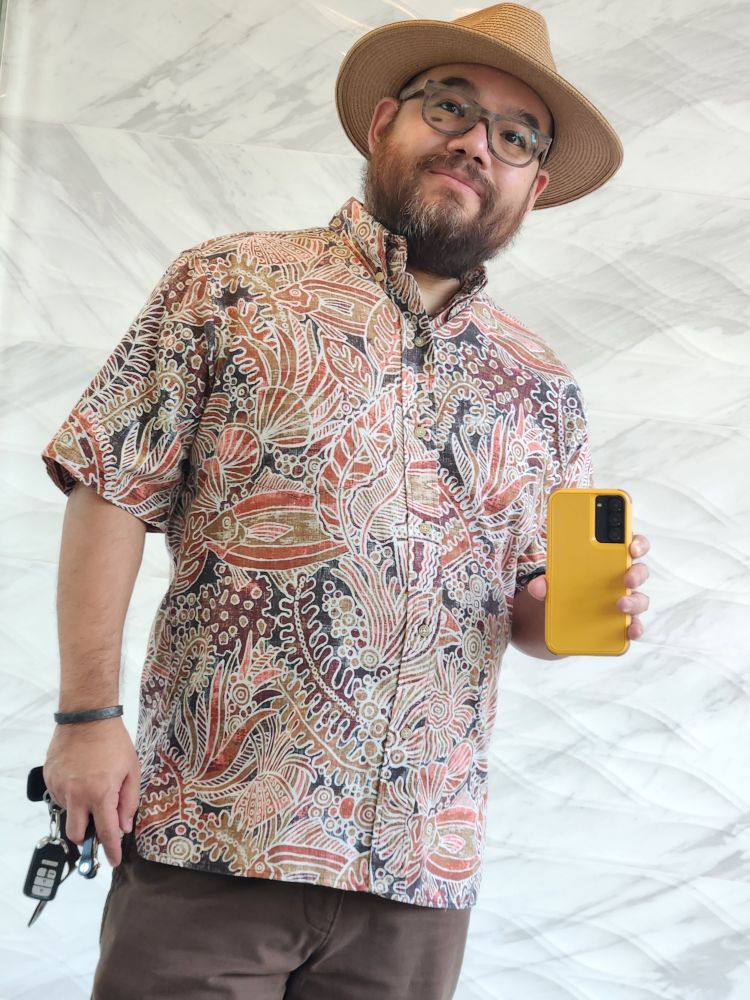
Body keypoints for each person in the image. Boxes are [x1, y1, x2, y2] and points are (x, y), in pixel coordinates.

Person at [40, 4, 651, 998]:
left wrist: (573, 613)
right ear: (382, 123)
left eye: (515, 136)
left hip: (419, 874)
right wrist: (85, 717)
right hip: (218, 836)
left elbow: (528, 612)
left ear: (534, 185)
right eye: (450, 106)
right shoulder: (229, 285)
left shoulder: (542, 386)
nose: (475, 143)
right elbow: (109, 486)